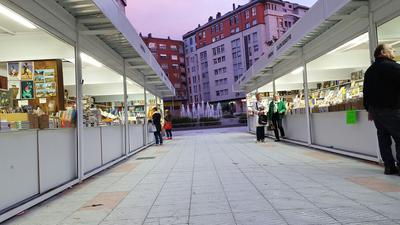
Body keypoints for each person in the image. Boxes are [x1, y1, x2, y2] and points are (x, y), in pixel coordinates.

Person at [364, 43, 400, 175]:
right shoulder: (393, 67)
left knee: (383, 138)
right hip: (391, 109)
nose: (393, 50)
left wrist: (369, 109)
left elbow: (366, 92)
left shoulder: (369, 70)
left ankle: (389, 167)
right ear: (382, 53)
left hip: (376, 112)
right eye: (390, 49)